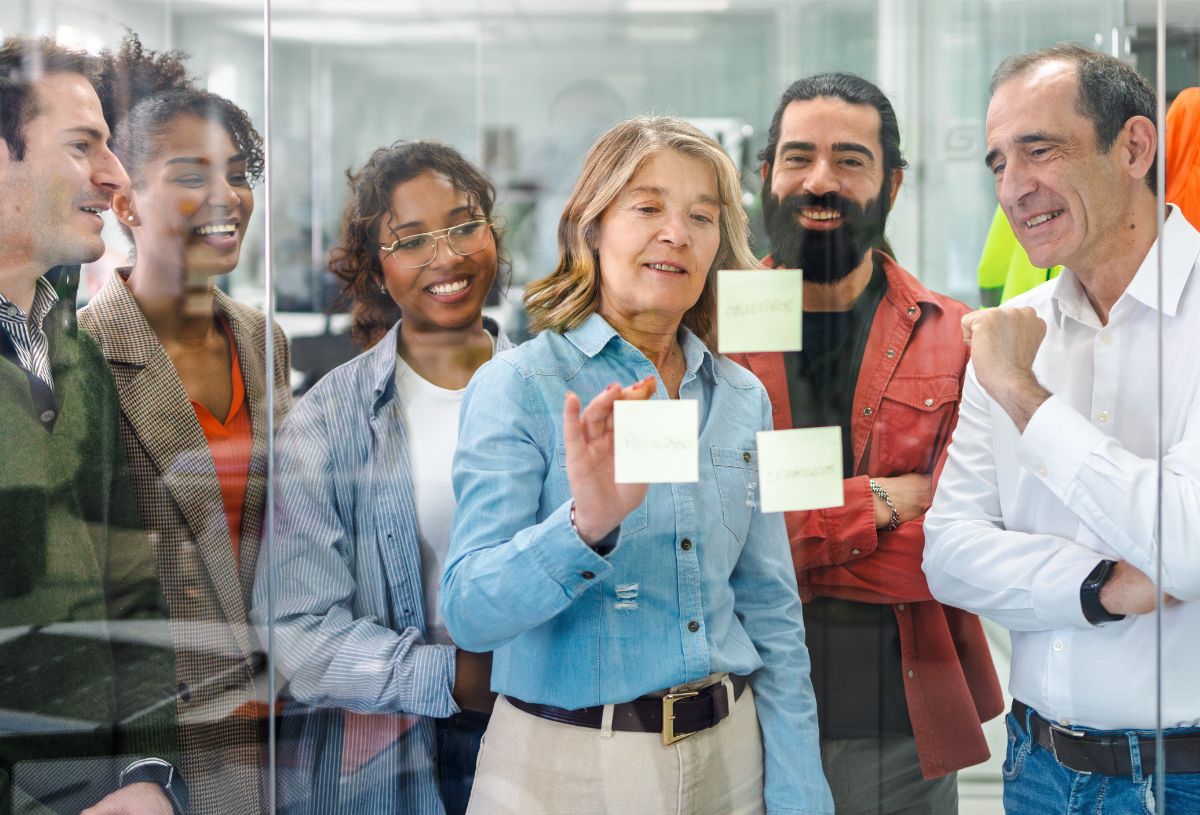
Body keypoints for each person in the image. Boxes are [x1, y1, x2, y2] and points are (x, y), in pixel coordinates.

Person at [441, 116, 834, 815]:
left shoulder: (741, 397)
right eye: (648, 207)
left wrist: (801, 786)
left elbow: (771, 607)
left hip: (730, 759)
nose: (676, 233)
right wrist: (585, 526)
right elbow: (470, 612)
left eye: (701, 216)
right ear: (590, 226)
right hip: (565, 770)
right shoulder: (521, 386)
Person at [924, 43, 1200, 813]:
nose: (1014, 189)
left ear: (1135, 147)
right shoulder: (1019, 324)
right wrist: (1101, 586)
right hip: (1038, 769)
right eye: (998, 164)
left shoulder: (1008, 357)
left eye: (1039, 151)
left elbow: (1184, 544)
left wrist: (1022, 394)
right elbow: (949, 553)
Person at [728, 72, 1002, 814]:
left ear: (894, 183)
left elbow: (950, 551)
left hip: (900, 734)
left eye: (850, 159)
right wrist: (880, 498)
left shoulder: (955, 338)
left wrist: (777, 524)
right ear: (765, 177)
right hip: (729, 718)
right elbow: (697, 541)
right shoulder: (708, 333)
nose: (821, 181)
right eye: (798, 157)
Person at [251, 141, 507, 815]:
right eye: (411, 239)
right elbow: (293, 626)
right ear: (375, 267)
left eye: (463, 224)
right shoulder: (331, 418)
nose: (446, 256)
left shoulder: (558, 390)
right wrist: (451, 677)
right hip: (392, 757)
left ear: (493, 233)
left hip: (548, 728)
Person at [78, 35, 291, 815]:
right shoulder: (85, 353)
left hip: (274, 723)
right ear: (127, 201)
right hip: (158, 743)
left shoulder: (265, 340)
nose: (228, 196)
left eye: (239, 174)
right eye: (193, 175)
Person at [0, 35, 183, 815]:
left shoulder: (67, 350)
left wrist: (148, 772)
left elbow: (129, 592)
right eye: (84, 146)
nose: (113, 177)